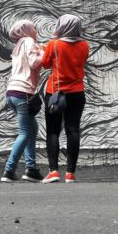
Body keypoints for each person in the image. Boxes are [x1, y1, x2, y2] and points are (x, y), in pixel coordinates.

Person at [41, 14, 89, 183]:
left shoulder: (54, 44)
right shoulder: (85, 45)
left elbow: (45, 64)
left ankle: (53, 171)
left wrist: (44, 50)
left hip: (56, 92)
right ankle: (70, 174)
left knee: (53, 131)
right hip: (77, 93)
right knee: (73, 130)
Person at [1, 19, 45, 183]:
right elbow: (34, 63)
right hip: (23, 93)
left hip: (12, 93)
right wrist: (43, 52)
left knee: (32, 128)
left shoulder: (18, 45)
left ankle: (31, 169)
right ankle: (9, 170)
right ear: (26, 30)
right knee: (25, 132)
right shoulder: (29, 41)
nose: (36, 31)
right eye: (34, 28)